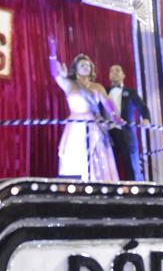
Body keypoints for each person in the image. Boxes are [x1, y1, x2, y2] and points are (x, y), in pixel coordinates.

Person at [48, 37, 120, 180]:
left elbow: (108, 103)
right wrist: (53, 52)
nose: (85, 67)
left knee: (97, 154)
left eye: (88, 65)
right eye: (82, 65)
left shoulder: (97, 87)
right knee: (75, 155)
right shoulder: (70, 85)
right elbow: (55, 74)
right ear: (76, 69)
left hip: (94, 125)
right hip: (76, 126)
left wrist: (116, 117)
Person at [107, 64, 150, 180]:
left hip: (126, 132)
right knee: (110, 163)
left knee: (130, 163)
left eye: (117, 70)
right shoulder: (104, 92)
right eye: (111, 71)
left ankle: (133, 190)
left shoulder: (131, 92)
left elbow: (142, 107)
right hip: (108, 133)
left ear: (123, 75)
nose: (114, 72)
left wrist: (145, 118)